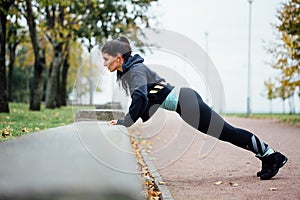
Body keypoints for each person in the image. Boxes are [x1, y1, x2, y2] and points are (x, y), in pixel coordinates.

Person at [101, 36, 288, 180]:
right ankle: (267, 157)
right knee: (226, 133)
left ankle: (271, 156)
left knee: (227, 132)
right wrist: (134, 116)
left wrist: (126, 121)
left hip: (187, 104)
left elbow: (141, 96)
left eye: (106, 59)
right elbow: (148, 99)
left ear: (118, 58)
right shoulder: (133, 71)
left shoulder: (136, 71)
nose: (104, 64)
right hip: (185, 101)